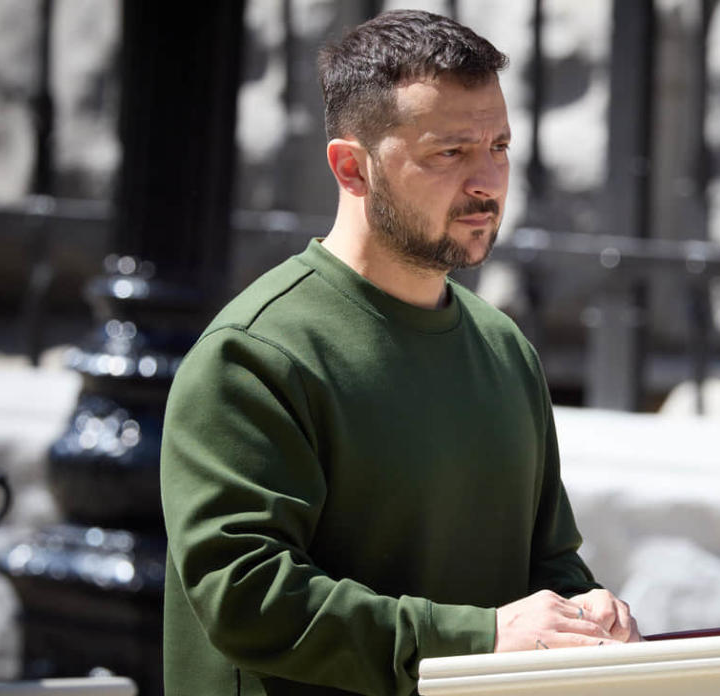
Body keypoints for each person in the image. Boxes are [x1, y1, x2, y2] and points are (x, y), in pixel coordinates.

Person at [160, 10, 640, 696]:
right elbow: (247, 600)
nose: (487, 181)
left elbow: (548, 566)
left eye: (498, 145)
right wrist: (479, 638)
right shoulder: (256, 355)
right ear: (351, 167)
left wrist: (585, 611)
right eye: (449, 152)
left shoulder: (503, 348)